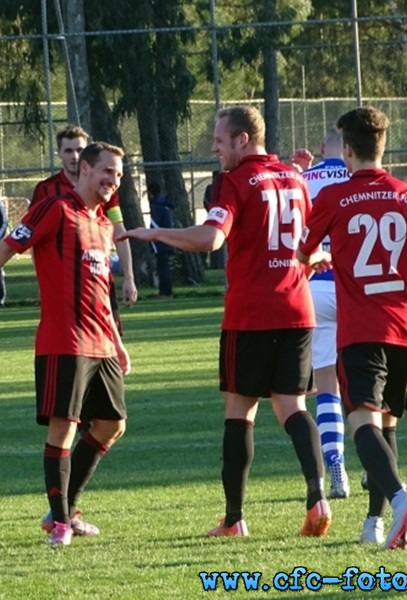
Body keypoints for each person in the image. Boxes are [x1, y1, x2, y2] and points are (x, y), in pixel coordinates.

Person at [120, 106, 331, 539]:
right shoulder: (295, 178)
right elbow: (308, 246)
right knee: (293, 407)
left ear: (242, 139)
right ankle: (318, 497)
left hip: (251, 313)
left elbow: (211, 238)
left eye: (219, 140)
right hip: (297, 310)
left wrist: (156, 233)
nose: (214, 148)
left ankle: (234, 519)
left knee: (240, 412)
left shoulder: (234, 182)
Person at [0, 142, 131, 547]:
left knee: (111, 425)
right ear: (84, 169)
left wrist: (118, 341)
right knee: (63, 429)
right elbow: (8, 246)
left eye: (118, 175)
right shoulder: (55, 209)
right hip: (63, 341)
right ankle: (63, 523)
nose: (112, 180)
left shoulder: (103, 224)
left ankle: (63, 508)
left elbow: (103, 292)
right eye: (107, 171)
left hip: (102, 343)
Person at [297, 106, 407, 549]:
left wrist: (319, 259)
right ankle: (374, 524)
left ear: (347, 149)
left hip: (362, 326)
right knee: (386, 425)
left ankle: (401, 499)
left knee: (361, 423)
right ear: (382, 147)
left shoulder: (333, 197)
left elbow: (301, 255)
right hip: (406, 324)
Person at [31, 125, 138, 329]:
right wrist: (41, 280)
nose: (75, 156)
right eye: (69, 150)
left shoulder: (105, 188)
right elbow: (33, 240)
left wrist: (129, 277)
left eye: (80, 150)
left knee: (112, 346)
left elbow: (119, 232)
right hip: (62, 285)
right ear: (59, 153)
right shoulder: (46, 190)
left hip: (99, 279)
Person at [299, 127, 353, 499]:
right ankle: (380, 460)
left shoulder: (303, 180)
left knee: (326, 385)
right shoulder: (360, 177)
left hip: (315, 286)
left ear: (322, 148)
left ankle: (336, 463)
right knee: (368, 382)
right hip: (355, 290)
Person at [147, 182, 175, 298]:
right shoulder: (166, 204)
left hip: (160, 241)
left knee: (162, 267)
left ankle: (165, 292)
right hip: (169, 238)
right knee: (165, 266)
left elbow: (155, 224)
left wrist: (152, 240)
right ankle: (166, 291)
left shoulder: (157, 206)